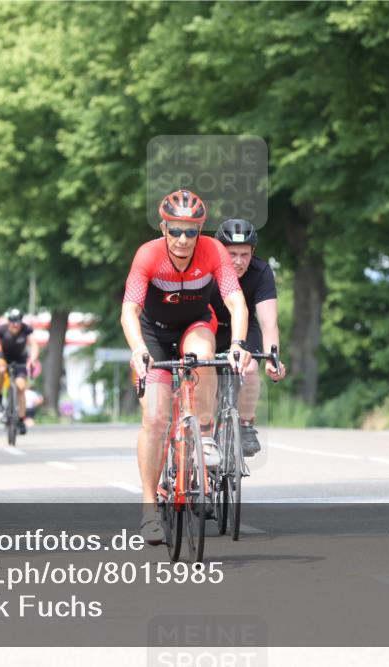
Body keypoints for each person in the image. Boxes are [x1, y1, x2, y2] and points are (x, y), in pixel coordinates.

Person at [121, 189, 250, 545]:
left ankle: (204, 434)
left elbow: (235, 302)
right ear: (163, 228)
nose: (182, 239)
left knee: (203, 353)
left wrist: (237, 344)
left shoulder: (213, 252)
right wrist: (137, 350)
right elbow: (129, 309)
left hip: (195, 324)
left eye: (191, 231)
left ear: (201, 230)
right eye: (175, 230)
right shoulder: (148, 255)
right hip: (154, 334)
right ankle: (149, 508)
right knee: (156, 417)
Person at [210, 219, 288, 456]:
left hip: (244, 328)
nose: (238, 261)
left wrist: (273, 357)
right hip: (209, 326)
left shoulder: (261, 271)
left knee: (251, 368)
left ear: (252, 252)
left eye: (245, 254)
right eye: (232, 254)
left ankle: (245, 425)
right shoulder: (206, 269)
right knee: (207, 381)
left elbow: (268, 321)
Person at [0, 309, 40, 434]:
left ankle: (21, 419)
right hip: (3, 357)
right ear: (8, 321)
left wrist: (32, 360)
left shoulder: (26, 329)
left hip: (20, 359)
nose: (15, 325)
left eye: (18, 322)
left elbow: (34, 345)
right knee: (0, 370)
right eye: (12, 322)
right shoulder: (0, 329)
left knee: (21, 387)